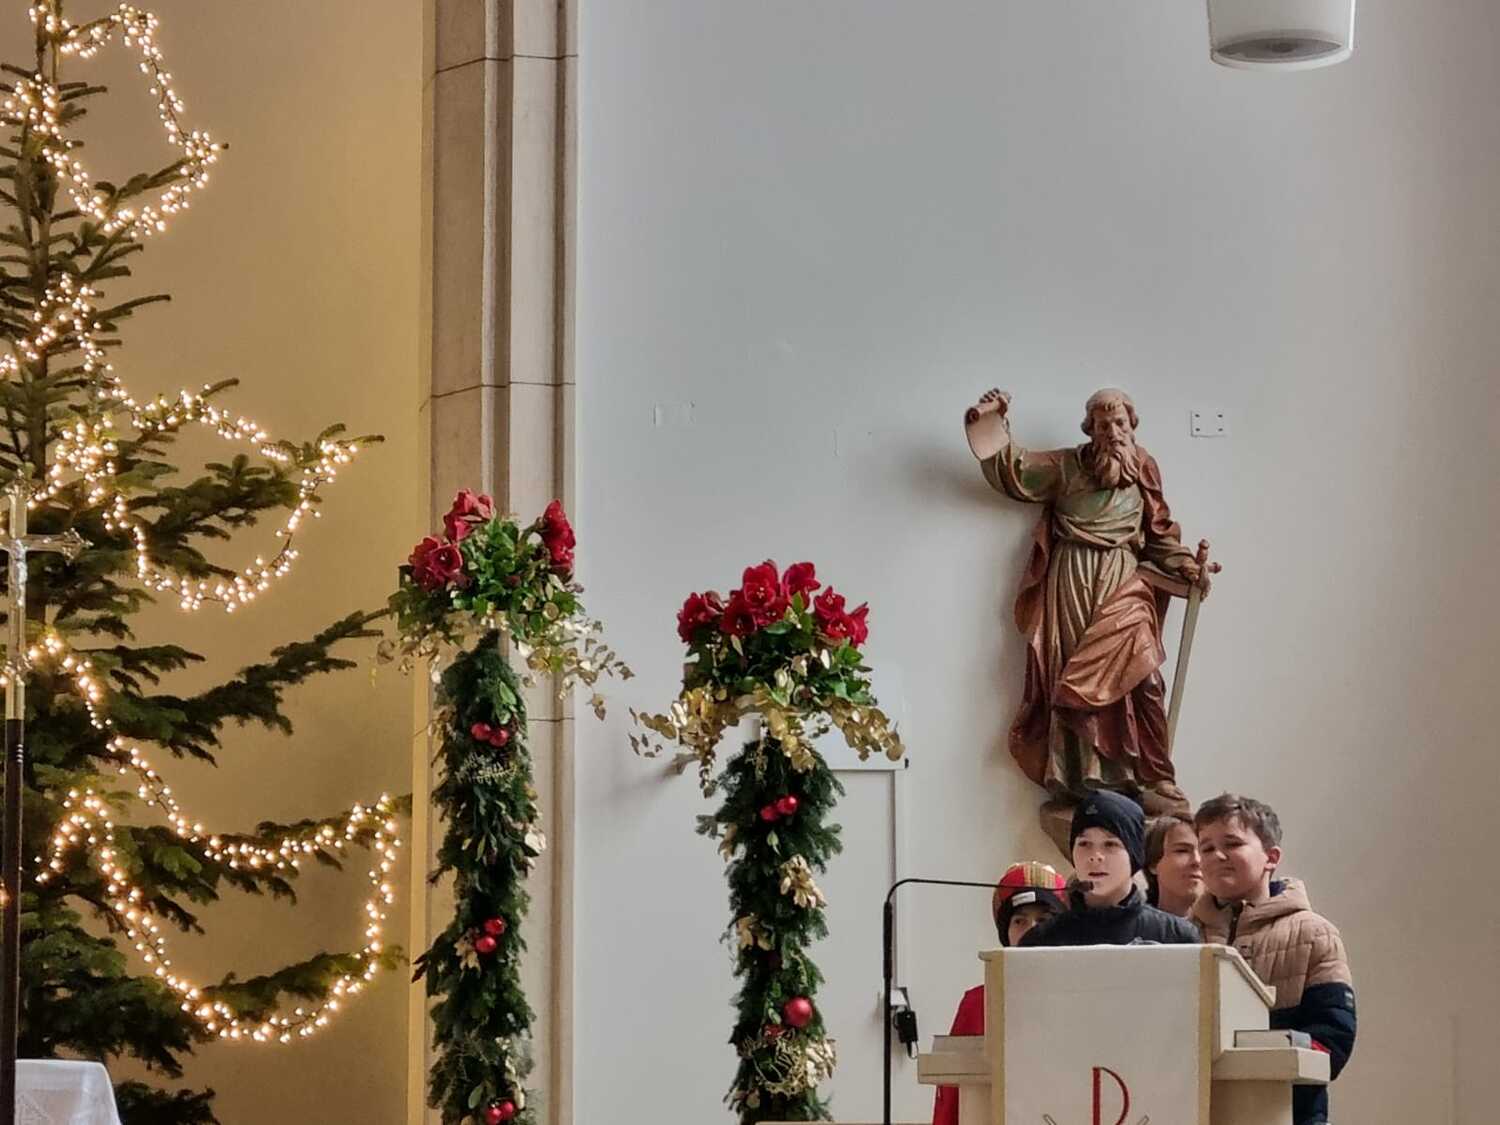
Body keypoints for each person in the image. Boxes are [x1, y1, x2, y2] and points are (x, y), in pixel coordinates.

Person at [963, 388, 1213, 813]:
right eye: (1103, 425)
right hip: (1072, 579)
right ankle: (1081, 779)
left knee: (1146, 678)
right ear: (1090, 430)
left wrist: (1187, 566)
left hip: (1124, 579)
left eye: (1120, 423)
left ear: (1132, 426)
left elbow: (1159, 534)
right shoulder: (1067, 465)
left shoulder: (1143, 467)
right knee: (1073, 677)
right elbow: (1016, 470)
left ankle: (1156, 776)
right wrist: (991, 421)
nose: (1112, 432)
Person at [1192, 794, 1356, 1125]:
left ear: (1271, 857)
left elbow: (1333, 1039)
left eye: (1232, 843)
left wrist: (1264, 1055)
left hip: (1287, 1113)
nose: (1217, 855)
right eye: (1206, 848)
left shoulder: (1314, 934)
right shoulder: (1184, 934)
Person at [931, 862, 1067, 1125]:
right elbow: (952, 1097)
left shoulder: (1080, 994)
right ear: (1006, 932)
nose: (1032, 929)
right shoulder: (978, 1003)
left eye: (1043, 920)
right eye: (1019, 921)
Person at [1020, 790, 1200, 947]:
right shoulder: (1041, 941)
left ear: (1134, 854)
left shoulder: (1174, 937)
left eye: (1110, 844)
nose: (1095, 856)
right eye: (1084, 843)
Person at [1144, 812, 1203, 918]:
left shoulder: (1231, 922)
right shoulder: (1131, 925)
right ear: (1153, 864)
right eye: (1182, 851)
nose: (1197, 860)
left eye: (1205, 850)